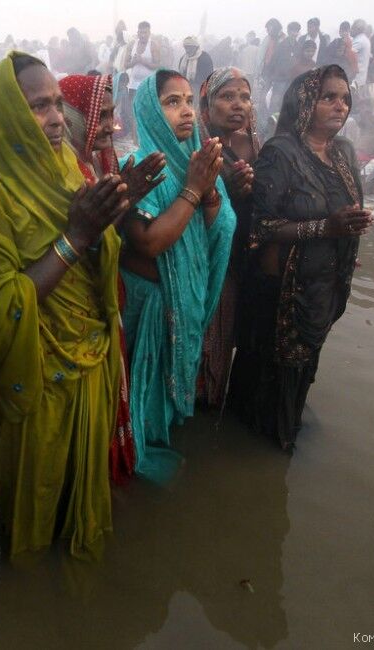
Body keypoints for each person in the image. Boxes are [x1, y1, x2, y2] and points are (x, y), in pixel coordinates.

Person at [0, 53, 130, 559]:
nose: (56, 118)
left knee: (82, 501)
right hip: (40, 380)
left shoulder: (68, 170)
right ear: (5, 115)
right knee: (36, 518)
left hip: (93, 363)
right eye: (37, 106)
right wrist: (77, 235)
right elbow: (2, 306)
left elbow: (97, 258)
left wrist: (106, 223)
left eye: (56, 103)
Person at [229, 65, 372, 453]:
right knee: (273, 370)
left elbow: (344, 211)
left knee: (304, 366)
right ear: (306, 101)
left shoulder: (342, 153)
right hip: (282, 291)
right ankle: (259, 446)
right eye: (329, 97)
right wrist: (327, 230)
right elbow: (262, 227)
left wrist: (345, 239)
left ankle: (285, 426)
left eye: (345, 98)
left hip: (325, 283)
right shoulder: (281, 153)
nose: (340, 106)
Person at [119, 70, 236, 482]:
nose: (185, 110)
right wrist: (193, 189)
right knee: (140, 391)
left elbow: (211, 235)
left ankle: (158, 437)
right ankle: (133, 457)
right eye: (172, 102)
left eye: (188, 100)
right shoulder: (137, 168)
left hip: (182, 300)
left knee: (165, 395)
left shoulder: (199, 165)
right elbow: (149, 242)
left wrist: (210, 196)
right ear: (150, 110)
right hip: (148, 303)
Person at [58, 73, 167, 484]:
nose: (110, 125)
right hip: (73, 313)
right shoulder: (62, 171)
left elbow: (108, 235)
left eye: (111, 114)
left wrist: (128, 198)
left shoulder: (103, 161)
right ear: (71, 117)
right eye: (98, 115)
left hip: (106, 300)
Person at [196, 68, 257, 409]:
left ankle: (213, 403)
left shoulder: (256, 146)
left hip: (239, 259)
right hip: (205, 260)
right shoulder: (196, 147)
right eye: (227, 96)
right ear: (207, 106)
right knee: (203, 339)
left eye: (245, 97)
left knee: (226, 336)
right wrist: (226, 192)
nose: (238, 105)